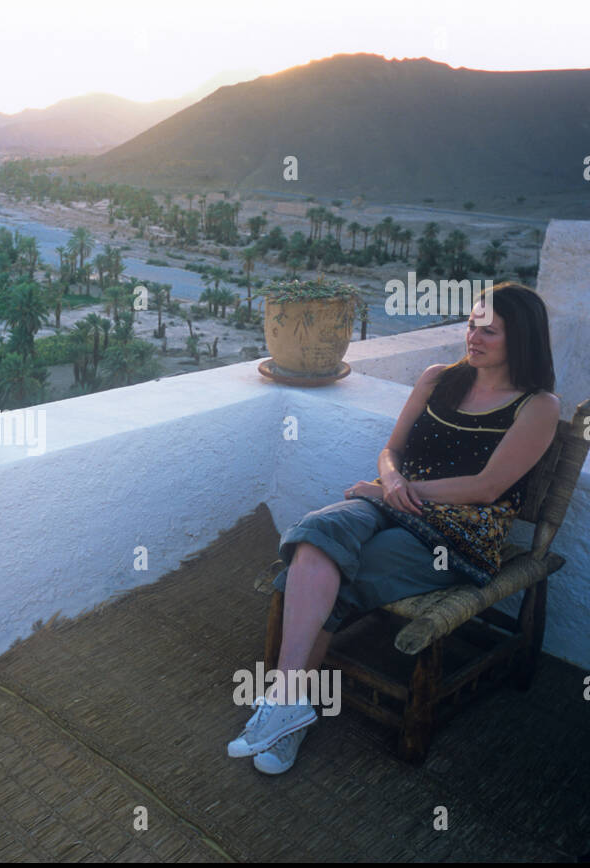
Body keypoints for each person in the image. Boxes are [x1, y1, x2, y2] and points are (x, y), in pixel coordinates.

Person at [229, 281, 561, 774]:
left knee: (337, 575)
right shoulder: (438, 378)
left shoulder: (537, 406)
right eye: (471, 325)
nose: (473, 336)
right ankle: (288, 702)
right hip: (395, 500)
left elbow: (488, 487)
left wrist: (394, 491)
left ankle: (286, 716)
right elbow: (392, 451)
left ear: (523, 338)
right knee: (317, 533)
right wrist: (389, 478)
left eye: (489, 331)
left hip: (457, 535)